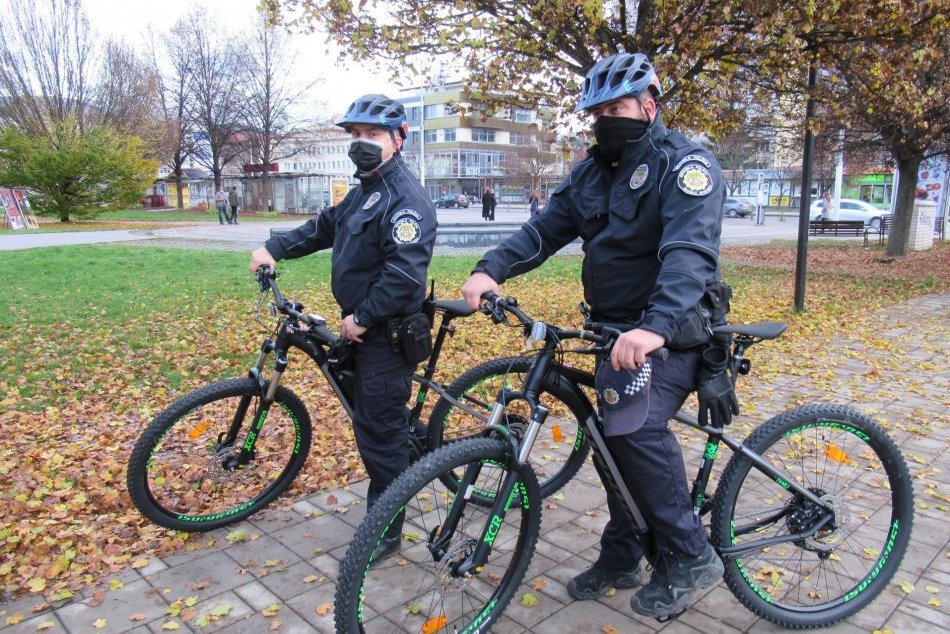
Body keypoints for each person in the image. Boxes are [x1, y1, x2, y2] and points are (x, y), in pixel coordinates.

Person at [461, 52, 731, 620]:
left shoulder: (684, 164)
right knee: (607, 435)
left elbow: (689, 254)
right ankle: (624, 553)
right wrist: (491, 269)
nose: (608, 117)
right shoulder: (588, 175)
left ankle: (690, 555)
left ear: (648, 106)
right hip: (612, 332)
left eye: (619, 106)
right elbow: (543, 231)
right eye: (599, 109)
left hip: (674, 334)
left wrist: (653, 327)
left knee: (633, 431)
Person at [249, 94, 437, 564]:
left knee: (379, 433)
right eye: (355, 136)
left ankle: (387, 530)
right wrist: (275, 246)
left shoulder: (406, 200)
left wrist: (363, 316)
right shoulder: (365, 191)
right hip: (364, 329)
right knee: (375, 420)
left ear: (399, 140)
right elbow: (323, 228)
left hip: (385, 334)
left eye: (372, 135)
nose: (361, 144)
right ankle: (397, 460)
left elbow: (405, 275)